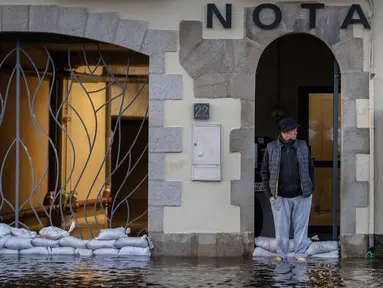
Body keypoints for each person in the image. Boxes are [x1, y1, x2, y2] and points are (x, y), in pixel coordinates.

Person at [261, 117, 315, 262]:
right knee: (281, 229)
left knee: (301, 228)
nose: (296, 131)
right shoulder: (271, 148)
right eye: (293, 129)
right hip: (280, 196)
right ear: (285, 132)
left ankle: (300, 255)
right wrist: (270, 195)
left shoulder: (302, 145)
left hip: (302, 195)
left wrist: (311, 188)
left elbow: (310, 168)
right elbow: (264, 172)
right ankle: (281, 255)